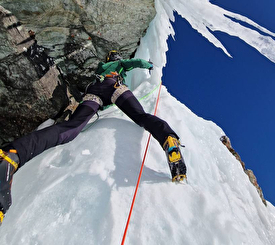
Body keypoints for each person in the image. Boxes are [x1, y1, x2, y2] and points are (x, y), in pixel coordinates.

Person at [0, 50, 186, 225]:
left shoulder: (100, 68)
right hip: (115, 87)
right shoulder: (119, 64)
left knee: (70, 128)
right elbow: (134, 62)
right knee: (141, 117)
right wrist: (148, 65)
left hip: (94, 93)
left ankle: (14, 154)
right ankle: (168, 139)